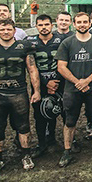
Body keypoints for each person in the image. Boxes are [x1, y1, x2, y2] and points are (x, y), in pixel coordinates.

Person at [0, 19, 41, 175]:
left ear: (14, 30)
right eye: (2, 29)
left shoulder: (24, 47)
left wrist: (36, 91)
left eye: (9, 29)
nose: (5, 32)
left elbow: (32, 70)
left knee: (23, 126)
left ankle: (26, 155)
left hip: (18, 93)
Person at [55, 12, 92, 167]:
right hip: (72, 88)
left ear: (90, 23)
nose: (82, 24)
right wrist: (77, 82)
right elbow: (61, 66)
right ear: (74, 24)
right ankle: (67, 151)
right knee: (70, 120)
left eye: (85, 22)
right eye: (79, 22)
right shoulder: (67, 43)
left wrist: (87, 80)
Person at [26, 14, 64, 157]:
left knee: (57, 110)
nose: (44, 28)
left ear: (52, 25)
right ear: (36, 26)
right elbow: (30, 67)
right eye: (40, 25)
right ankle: (41, 143)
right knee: (39, 114)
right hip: (39, 84)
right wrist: (45, 82)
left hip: (59, 82)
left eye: (46, 24)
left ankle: (53, 138)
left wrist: (55, 82)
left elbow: (65, 63)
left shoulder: (61, 41)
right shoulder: (30, 43)